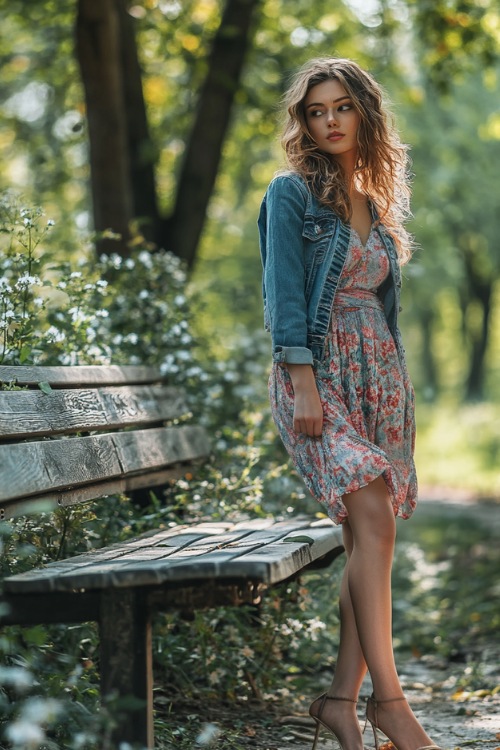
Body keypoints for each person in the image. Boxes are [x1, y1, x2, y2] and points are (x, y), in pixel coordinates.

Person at [258, 58, 442, 750]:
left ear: (364, 112)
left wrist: (398, 395)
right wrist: (302, 381)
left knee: (371, 536)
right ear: (303, 121)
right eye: (315, 111)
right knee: (374, 524)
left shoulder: (376, 200)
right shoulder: (291, 195)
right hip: (320, 377)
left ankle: (339, 702)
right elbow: (284, 296)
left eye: (341, 107)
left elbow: (382, 313)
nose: (329, 121)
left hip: (381, 384)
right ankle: (389, 705)